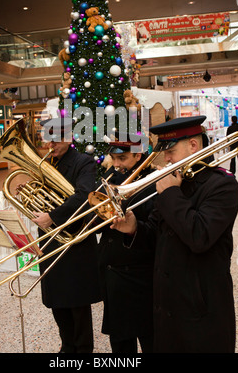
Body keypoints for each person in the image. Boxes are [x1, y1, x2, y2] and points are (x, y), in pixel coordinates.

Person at [111, 116, 238, 353]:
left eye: (170, 151)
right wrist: (133, 228)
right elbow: (156, 236)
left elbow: (199, 236)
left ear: (193, 146)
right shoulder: (175, 182)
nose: (166, 159)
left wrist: (171, 193)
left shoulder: (223, 185)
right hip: (167, 307)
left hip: (202, 312)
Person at [32, 118, 101, 353]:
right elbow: (40, 192)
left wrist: (52, 216)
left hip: (74, 242)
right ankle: (67, 347)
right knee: (57, 301)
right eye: (47, 139)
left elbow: (84, 196)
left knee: (77, 304)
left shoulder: (84, 163)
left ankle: (82, 350)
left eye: (57, 139)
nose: (51, 144)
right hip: (50, 241)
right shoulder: (46, 163)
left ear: (69, 137)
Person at [97, 135, 156, 353]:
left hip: (140, 274)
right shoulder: (112, 174)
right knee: (120, 344)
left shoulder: (153, 179)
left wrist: (132, 224)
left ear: (138, 155)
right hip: (113, 272)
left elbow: (154, 227)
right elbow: (95, 214)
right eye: (113, 158)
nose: (116, 164)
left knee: (150, 339)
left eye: (122, 158)